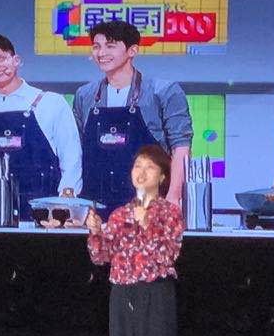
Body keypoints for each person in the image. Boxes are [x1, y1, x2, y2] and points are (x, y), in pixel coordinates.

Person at [0, 35, 82, 221]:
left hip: (43, 214)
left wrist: (67, 200)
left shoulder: (52, 103)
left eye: (0, 59)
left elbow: (72, 158)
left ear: (16, 60)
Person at [74, 20, 192, 215]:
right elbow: (76, 151)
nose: (101, 53)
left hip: (150, 206)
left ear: (132, 51)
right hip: (95, 205)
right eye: (96, 46)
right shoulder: (84, 95)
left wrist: (173, 197)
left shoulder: (164, 91)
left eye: (110, 46)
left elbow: (181, 148)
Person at [85, 144, 184, 336]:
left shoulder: (170, 212)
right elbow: (100, 257)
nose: (142, 172)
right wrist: (95, 231)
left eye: (150, 167)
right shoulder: (120, 214)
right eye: (138, 166)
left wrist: (147, 224)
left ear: (162, 177)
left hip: (155, 293)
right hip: (122, 293)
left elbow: (168, 256)